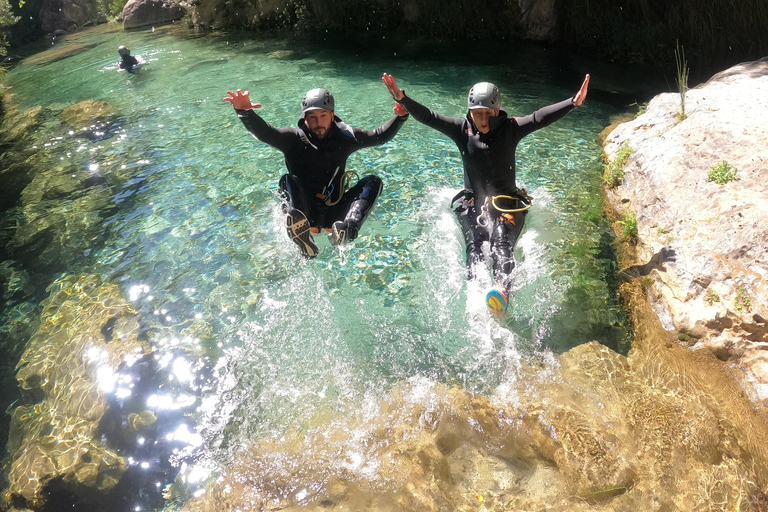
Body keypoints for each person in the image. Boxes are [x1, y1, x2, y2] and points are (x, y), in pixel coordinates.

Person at [383, 72, 589, 312]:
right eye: (477, 113)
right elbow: (430, 117)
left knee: (501, 241)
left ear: (497, 111)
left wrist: (572, 102)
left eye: (487, 114)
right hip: (473, 202)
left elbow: (538, 118)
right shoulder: (462, 129)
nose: (482, 119)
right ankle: (477, 293)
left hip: (507, 202)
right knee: (475, 244)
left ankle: (501, 291)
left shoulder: (510, 128)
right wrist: (403, 98)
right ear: (470, 112)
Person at [223, 87, 409, 258]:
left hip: (336, 216)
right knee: (287, 180)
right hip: (304, 212)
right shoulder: (293, 139)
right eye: (312, 117)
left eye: (323, 116)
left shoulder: (346, 137)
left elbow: (380, 136)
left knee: (373, 181)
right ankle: (303, 236)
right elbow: (266, 133)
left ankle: (348, 231)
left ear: (332, 115)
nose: (318, 122)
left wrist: (400, 117)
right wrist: (244, 112)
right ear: (305, 118)